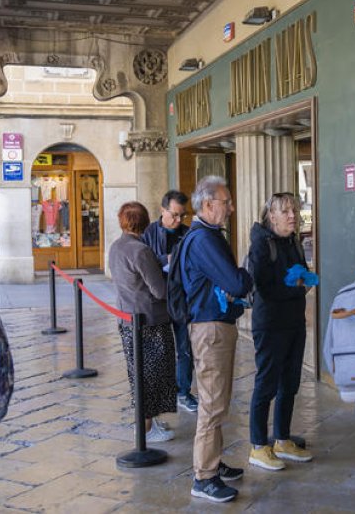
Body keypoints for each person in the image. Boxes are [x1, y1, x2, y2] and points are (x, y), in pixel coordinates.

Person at [182, 176, 253, 503]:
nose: (231, 208)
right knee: (212, 404)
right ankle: (204, 477)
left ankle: (213, 461)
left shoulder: (206, 235)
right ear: (208, 204)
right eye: (227, 202)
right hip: (210, 329)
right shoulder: (203, 240)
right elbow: (236, 283)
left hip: (213, 325)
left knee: (218, 400)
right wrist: (245, 275)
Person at [247, 192, 315, 472]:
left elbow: (302, 275)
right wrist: (296, 287)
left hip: (294, 322)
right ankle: (258, 446)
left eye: (294, 211)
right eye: (285, 211)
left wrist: (304, 282)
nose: (292, 216)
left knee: (290, 383)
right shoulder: (261, 245)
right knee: (266, 385)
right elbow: (263, 288)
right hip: (270, 324)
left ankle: (282, 439)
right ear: (271, 216)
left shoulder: (293, 242)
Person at [107, 201, 178, 444]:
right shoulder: (141, 250)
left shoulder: (116, 246)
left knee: (138, 373)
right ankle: (146, 429)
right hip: (149, 321)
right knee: (153, 375)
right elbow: (158, 290)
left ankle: (147, 422)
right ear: (145, 222)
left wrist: (161, 260)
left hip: (128, 318)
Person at [141, 189, 197, 413]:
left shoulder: (188, 233)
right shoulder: (148, 233)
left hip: (181, 298)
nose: (178, 220)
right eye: (174, 215)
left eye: (182, 215)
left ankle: (183, 392)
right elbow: (142, 263)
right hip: (157, 301)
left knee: (184, 347)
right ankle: (159, 396)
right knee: (159, 350)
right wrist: (166, 259)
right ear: (162, 210)